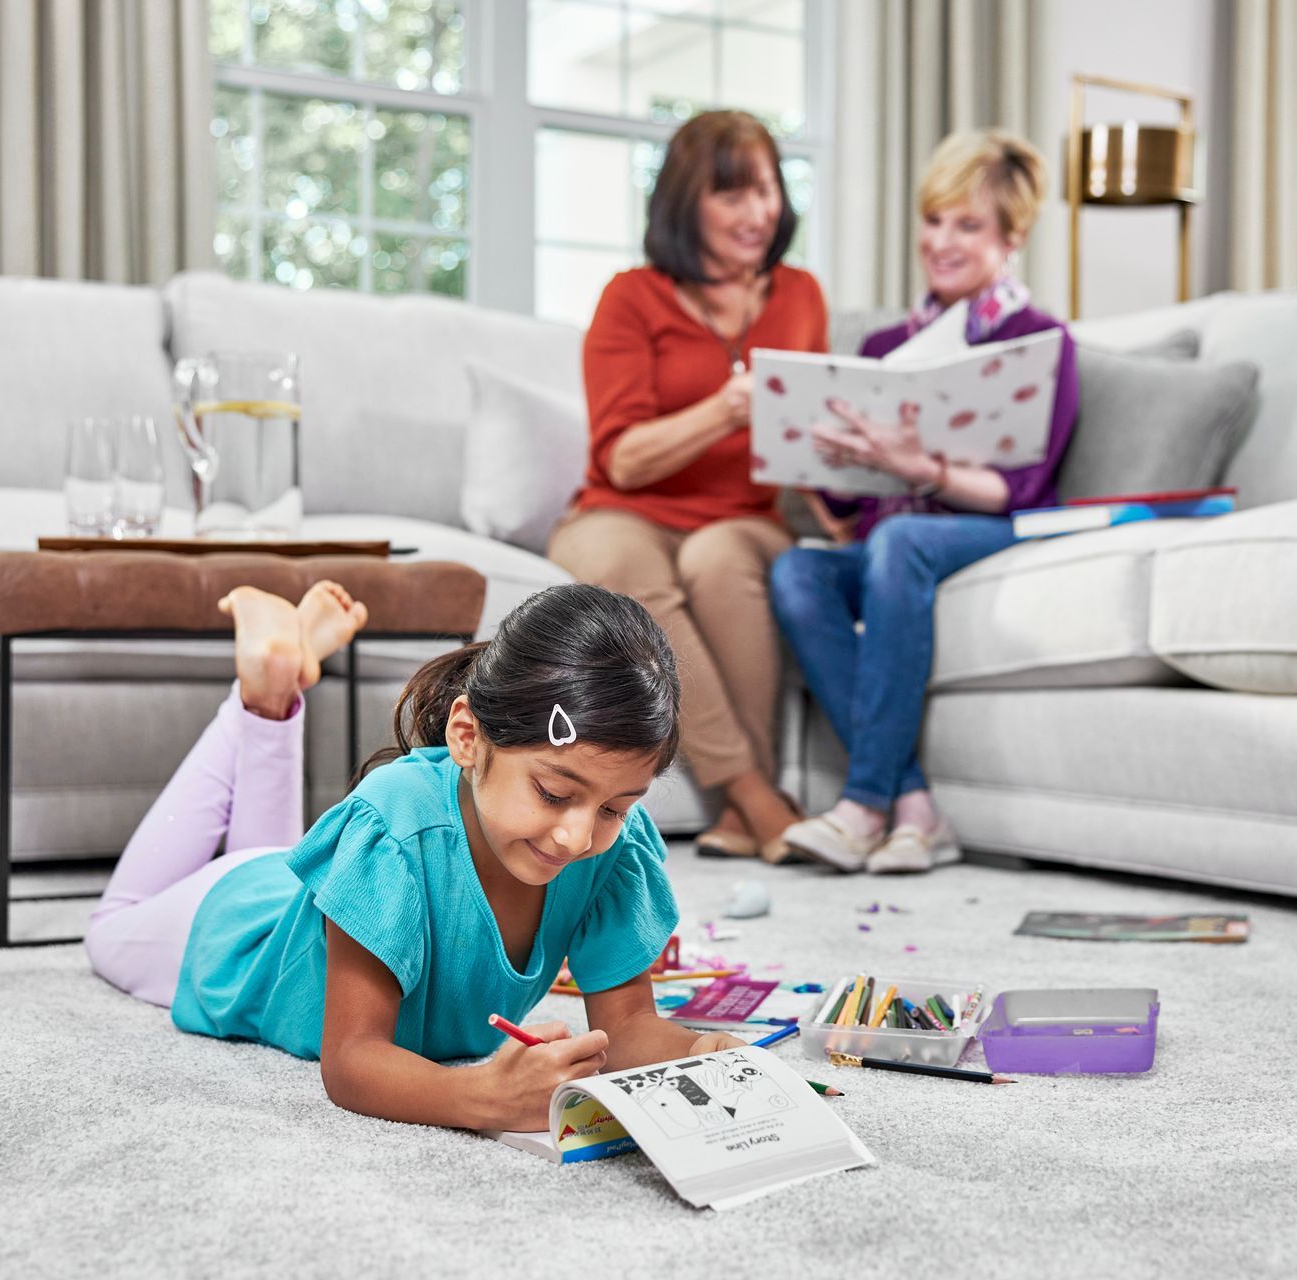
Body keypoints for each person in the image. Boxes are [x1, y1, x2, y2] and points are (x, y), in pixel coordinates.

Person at [84, 581, 744, 1132]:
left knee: (270, 850)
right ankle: (259, 696)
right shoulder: (394, 821)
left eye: (613, 807)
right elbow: (351, 1060)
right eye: (552, 793)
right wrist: (484, 1096)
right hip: (228, 928)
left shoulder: (610, 851)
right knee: (111, 926)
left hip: (310, 895)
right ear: (466, 736)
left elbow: (627, 1025)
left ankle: (277, 679)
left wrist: (705, 1049)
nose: (578, 837)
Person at [769, 129, 1079, 876]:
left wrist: (921, 466)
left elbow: (1019, 489)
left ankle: (863, 804)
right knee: (797, 571)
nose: (941, 241)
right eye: (934, 220)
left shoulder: (1041, 343)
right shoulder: (881, 346)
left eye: (967, 226)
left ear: (1012, 238)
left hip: (986, 529)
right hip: (887, 538)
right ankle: (916, 808)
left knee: (897, 545)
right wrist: (832, 452)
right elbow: (848, 499)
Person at [548, 110, 829, 863]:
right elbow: (624, 459)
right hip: (624, 510)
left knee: (716, 559)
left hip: (743, 516)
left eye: (767, 190)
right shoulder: (630, 297)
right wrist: (724, 408)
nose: (758, 212)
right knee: (626, 568)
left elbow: (804, 439)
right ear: (685, 203)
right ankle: (755, 795)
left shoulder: (801, 296)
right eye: (731, 195)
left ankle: (746, 803)